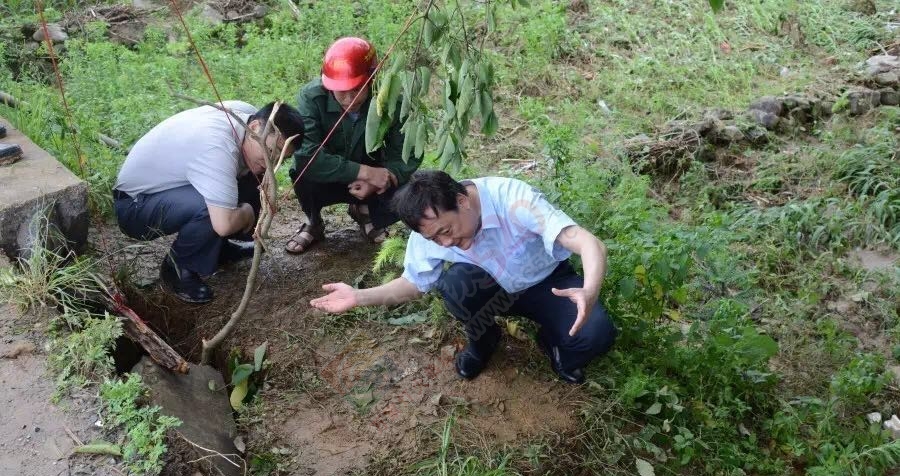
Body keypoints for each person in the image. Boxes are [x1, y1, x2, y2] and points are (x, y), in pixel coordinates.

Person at [310, 170, 617, 383]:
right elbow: (413, 284)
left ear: (462, 201)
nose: (444, 243)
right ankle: (484, 342)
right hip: (492, 289)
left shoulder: (515, 199)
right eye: (435, 239)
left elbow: (587, 242)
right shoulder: (429, 230)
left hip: (548, 283)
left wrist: (589, 291)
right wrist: (358, 296)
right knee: (455, 285)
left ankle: (553, 343)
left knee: (595, 334)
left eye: (446, 231)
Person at [113, 101, 305, 303]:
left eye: (281, 158)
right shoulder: (216, 145)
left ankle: (218, 250)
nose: (272, 163)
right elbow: (224, 224)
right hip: (136, 205)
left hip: (176, 187)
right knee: (213, 208)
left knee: (251, 179)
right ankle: (178, 269)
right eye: (271, 152)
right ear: (255, 127)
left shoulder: (246, 117)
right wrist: (247, 212)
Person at [286, 37, 422, 254]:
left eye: (357, 89)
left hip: (376, 178)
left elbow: (408, 154)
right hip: (328, 176)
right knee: (302, 171)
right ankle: (313, 221)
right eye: (341, 91)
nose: (349, 99)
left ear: (372, 78)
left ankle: (366, 212)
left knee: (412, 187)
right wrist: (365, 173)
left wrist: (384, 178)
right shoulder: (311, 97)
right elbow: (307, 154)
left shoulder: (390, 99)